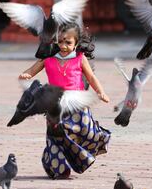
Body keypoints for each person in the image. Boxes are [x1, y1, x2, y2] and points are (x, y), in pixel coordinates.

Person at [18, 22, 111, 179]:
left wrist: (101, 92)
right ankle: (59, 168)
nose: (63, 45)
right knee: (56, 136)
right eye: (60, 41)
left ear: (76, 43)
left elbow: (91, 77)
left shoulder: (80, 59)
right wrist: (26, 74)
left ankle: (97, 139)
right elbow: (32, 70)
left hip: (77, 105)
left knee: (86, 132)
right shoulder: (48, 58)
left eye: (68, 42)